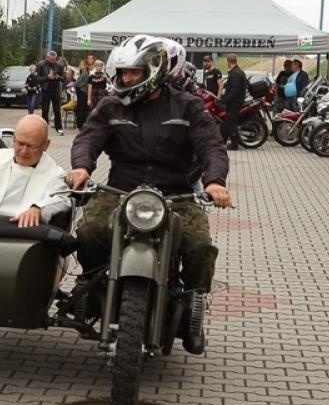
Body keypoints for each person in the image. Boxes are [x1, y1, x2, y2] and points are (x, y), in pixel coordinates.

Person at [67, 36, 231, 296]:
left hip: (176, 194)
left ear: (154, 71)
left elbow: (212, 146)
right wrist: (81, 167)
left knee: (199, 246)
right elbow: (88, 138)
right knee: (88, 231)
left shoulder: (188, 106)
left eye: (134, 72)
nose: (127, 78)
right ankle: (91, 283)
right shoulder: (111, 106)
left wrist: (214, 182)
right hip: (120, 191)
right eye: (123, 72)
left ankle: (193, 300)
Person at [34, 49, 67, 134]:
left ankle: (59, 128)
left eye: (54, 59)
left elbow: (64, 79)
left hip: (56, 90)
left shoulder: (59, 66)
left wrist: (57, 77)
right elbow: (37, 79)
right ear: (47, 58)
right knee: (45, 110)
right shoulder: (41, 65)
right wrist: (47, 77)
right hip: (45, 90)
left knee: (57, 110)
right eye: (51, 59)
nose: (53, 61)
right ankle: (44, 128)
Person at [220, 55, 248, 149]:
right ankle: (222, 142)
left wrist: (225, 99)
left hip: (234, 102)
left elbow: (234, 89)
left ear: (229, 61)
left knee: (231, 123)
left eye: (227, 62)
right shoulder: (238, 72)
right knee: (227, 122)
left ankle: (234, 145)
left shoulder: (235, 73)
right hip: (236, 101)